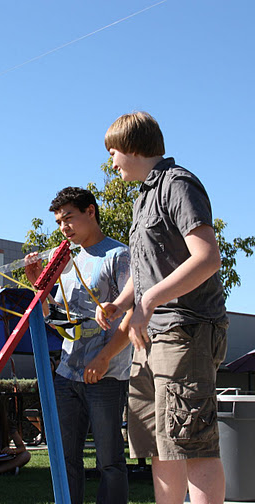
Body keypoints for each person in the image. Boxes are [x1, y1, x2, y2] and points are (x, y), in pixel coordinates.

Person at [97, 111, 227, 504]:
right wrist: (122, 303)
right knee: (159, 444)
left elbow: (207, 257)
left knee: (192, 441)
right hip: (150, 337)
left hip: (186, 330)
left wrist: (150, 301)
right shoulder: (142, 201)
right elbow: (148, 269)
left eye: (113, 152)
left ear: (132, 148)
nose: (111, 162)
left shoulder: (178, 184)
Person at [25, 187, 132, 504]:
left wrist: (103, 359)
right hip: (68, 374)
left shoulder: (118, 256)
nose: (64, 228)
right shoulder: (68, 262)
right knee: (65, 459)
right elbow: (60, 322)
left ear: (91, 212)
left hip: (107, 374)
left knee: (109, 461)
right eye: (59, 222)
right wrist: (40, 288)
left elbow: (132, 315)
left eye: (69, 218)